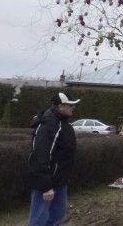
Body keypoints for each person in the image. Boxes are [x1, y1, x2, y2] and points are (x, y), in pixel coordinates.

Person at [28, 92, 80, 226]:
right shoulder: (49, 125)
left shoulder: (63, 124)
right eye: (70, 105)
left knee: (57, 216)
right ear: (60, 106)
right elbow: (40, 155)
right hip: (46, 183)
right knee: (40, 219)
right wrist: (46, 186)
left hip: (59, 181)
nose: (73, 107)